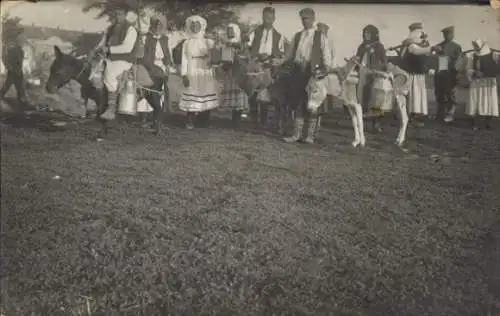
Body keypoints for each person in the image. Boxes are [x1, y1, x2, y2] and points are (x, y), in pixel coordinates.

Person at [283, 7, 334, 144]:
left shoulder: (320, 36)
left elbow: (327, 57)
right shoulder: (297, 36)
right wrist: (280, 61)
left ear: (313, 19)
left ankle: (310, 136)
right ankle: (297, 134)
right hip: (298, 72)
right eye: (302, 19)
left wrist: (324, 70)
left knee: (312, 104)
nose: (305, 21)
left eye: (307, 18)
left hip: (313, 74)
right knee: (298, 102)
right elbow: (289, 55)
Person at [95, 7, 141, 121]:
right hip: (110, 58)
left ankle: (111, 108)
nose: (118, 17)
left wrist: (109, 50)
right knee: (93, 70)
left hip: (125, 59)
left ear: (125, 15)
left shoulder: (131, 29)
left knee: (109, 72)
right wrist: (98, 49)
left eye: (120, 14)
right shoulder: (110, 29)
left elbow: (127, 47)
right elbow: (103, 43)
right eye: (116, 14)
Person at [178, 15, 220, 129]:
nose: (195, 27)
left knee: (205, 91)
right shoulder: (186, 42)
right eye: (192, 25)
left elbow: (216, 55)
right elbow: (184, 59)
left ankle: (204, 120)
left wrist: (214, 48)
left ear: (202, 26)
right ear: (189, 27)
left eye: (197, 25)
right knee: (192, 91)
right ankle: (190, 119)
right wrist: (184, 74)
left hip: (205, 69)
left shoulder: (208, 41)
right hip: (192, 69)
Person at [246, 6, 286, 127]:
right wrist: (255, 56)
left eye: (270, 17)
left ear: (274, 18)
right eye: (265, 17)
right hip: (254, 64)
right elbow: (247, 46)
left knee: (264, 93)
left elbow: (280, 53)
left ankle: (263, 120)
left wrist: (271, 57)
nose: (267, 20)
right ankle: (253, 119)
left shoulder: (279, 36)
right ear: (262, 17)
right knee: (252, 92)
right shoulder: (255, 32)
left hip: (268, 66)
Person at [136, 14, 172, 126]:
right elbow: (141, 55)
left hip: (160, 67)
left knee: (159, 93)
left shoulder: (166, 39)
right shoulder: (145, 37)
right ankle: (143, 118)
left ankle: (157, 119)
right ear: (152, 25)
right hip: (147, 67)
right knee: (145, 91)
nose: (158, 26)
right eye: (156, 24)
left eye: (160, 24)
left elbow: (168, 56)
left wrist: (167, 67)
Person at [355, 24, 388, 132]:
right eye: (365, 33)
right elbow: (358, 59)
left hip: (375, 74)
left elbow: (384, 63)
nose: (366, 35)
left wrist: (375, 69)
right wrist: (356, 63)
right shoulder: (361, 47)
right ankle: (360, 119)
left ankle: (376, 123)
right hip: (362, 73)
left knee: (376, 96)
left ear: (374, 34)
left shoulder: (379, 46)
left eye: (368, 33)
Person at [400, 22, 432, 126]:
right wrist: (431, 49)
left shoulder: (418, 44)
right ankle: (412, 117)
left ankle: (418, 115)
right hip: (412, 75)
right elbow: (417, 51)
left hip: (419, 74)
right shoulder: (411, 45)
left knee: (419, 95)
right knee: (414, 96)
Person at [219, 23, 250, 124]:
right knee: (231, 93)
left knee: (239, 92)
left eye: (231, 30)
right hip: (229, 70)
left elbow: (244, 54)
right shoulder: (224, 43)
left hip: (239, 71)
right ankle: (233, 116)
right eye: (228, 30)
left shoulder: (240, 42)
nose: (230, 32)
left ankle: (238, 116)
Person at [465, 39, 499, 130]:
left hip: (489, 82)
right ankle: (475, 123)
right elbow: (468, 69)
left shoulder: (494, 55)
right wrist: (474, 72)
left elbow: (497, 68)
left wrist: (488, 73)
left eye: (478, 46)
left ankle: (488, 123)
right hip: (477, 82)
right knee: (475, 101)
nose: (477, 48)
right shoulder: (472, 56)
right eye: (475, 46)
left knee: (489, 101)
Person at [431, 26, 462, 123]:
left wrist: (457, 75)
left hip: (450, 75)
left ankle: (450, 114)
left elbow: (459, 62)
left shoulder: (456, 47)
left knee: (450, 95)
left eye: (449, 34)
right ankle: (439, 114)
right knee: (439, 94)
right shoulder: (438, 45)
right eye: (445, 34)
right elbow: (434, 59)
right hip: (440, 74)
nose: (447, 36)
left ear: (453, 35)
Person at [316, 22, 339, 134]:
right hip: (316, 71)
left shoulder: (330, 42)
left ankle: (320, 120)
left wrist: (329, 69)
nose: (320, 31)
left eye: (322, 30)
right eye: (319, 29)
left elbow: (333, 56)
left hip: (326, 72)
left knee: (323, 96)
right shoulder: (315, 41)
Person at [0, 19, 29, 108]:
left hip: (17, 68)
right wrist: (9, 66)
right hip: (14, 68)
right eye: (16, 33)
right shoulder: (10, 44)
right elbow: (6, 57)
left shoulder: (14, 43)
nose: (18, 35)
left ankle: (21, 100)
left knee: (14, 84)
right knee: (16, 84)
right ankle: (22, 101)